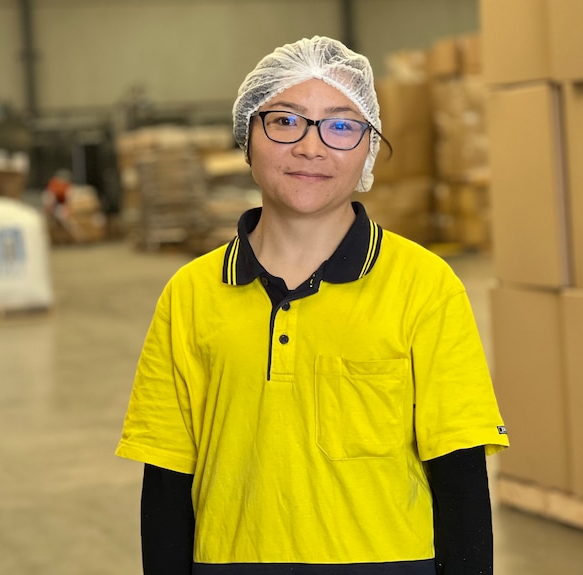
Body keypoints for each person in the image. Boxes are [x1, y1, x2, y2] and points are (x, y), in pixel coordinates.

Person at [116, 35, 509, 575]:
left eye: (342, 125)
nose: (311, 146)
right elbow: (165, 480)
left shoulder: (425, 285)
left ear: (369, 149)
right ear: (246, 138)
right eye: (285, 121)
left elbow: (459, 474)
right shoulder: (190, 293)